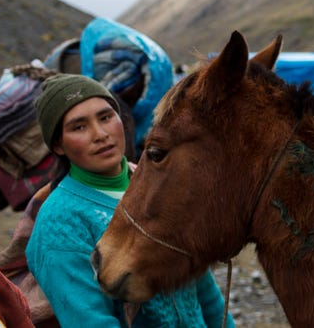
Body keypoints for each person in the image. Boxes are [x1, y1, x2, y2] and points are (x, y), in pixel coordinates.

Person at [25, 74, 235, 327]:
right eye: (79, 126)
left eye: (105, 117)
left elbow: (203, 289)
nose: (100, 134)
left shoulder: (158, 182)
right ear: (58, 145)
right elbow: (91, 322)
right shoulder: (59, 224)